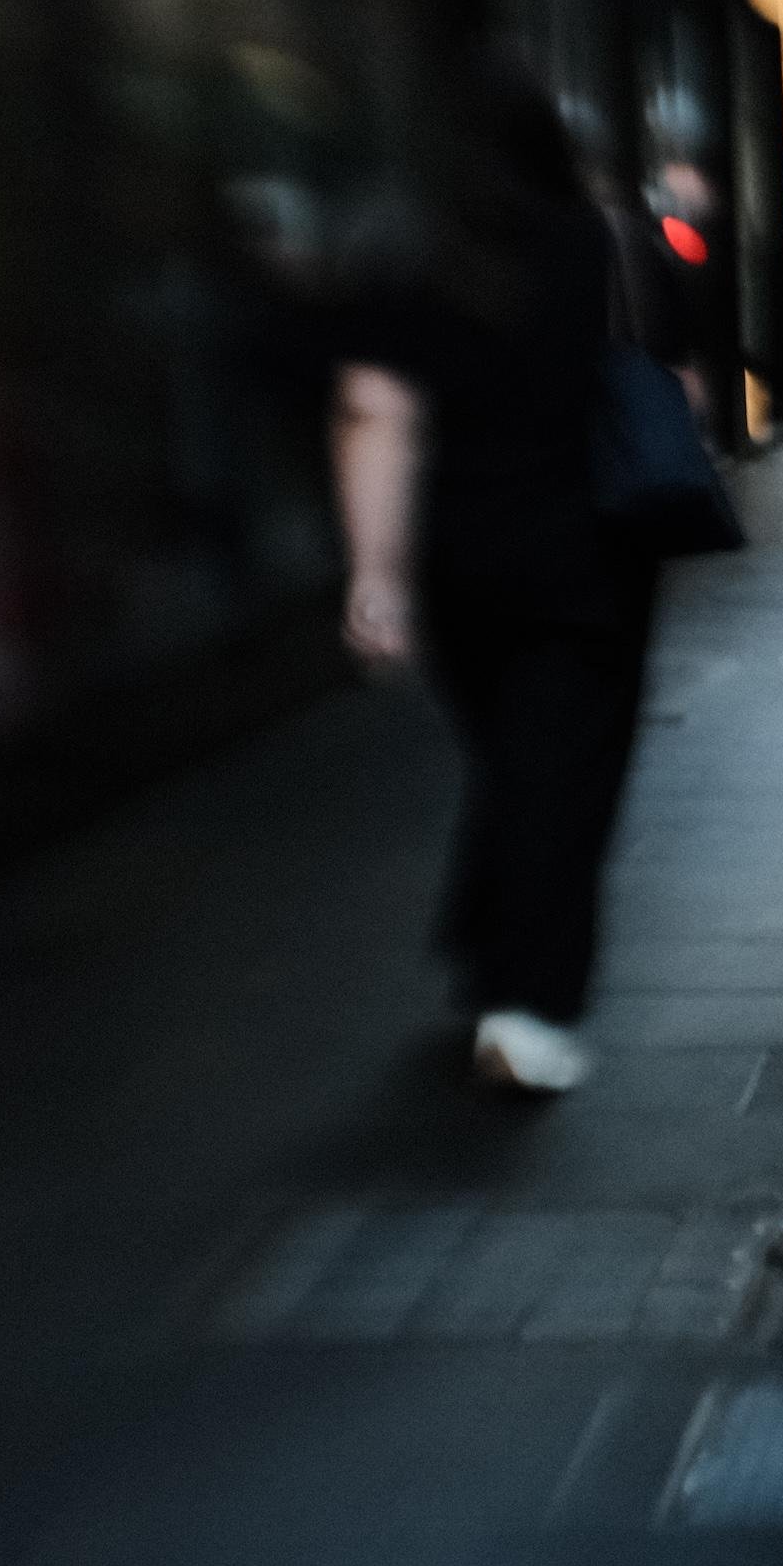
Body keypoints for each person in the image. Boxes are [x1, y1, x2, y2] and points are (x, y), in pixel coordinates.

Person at [330, 54, 669, 1098]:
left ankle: (483, 958)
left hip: (458, 567)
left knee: (511, 762)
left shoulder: (398, 252)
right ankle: (528, 1008)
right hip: (587, 558)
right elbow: (648, 365)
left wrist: (375, 576)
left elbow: (375, 414)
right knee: (560, 781)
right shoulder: (590, 238)